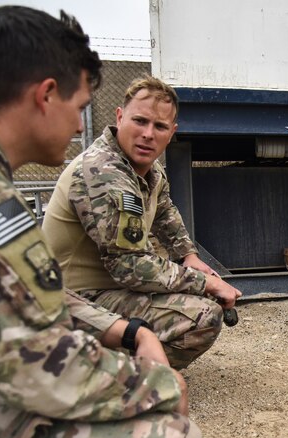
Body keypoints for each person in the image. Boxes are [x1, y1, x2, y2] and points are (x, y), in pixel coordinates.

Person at [0, 6, 204, 438]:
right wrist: (154, 385)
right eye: (78, 107)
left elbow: (21, 298)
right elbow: (32, 363)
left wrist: (131, 331)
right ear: (45, 95)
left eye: (160, 126)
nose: (79, 124)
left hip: (49, 331)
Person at [42, 76, 241, 370]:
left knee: (192, 291)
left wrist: (188, 256)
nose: (148, 134)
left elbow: (165, 212)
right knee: (201, 316)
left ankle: (120, 361)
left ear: (171, 133)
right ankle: (102, 372)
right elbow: (130, 266)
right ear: (119, 117)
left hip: (110, 289)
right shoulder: (103, 170)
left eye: (159, 126)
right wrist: (206, 283)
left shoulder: (149, 169)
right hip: (71, 301)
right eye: (140, 121)